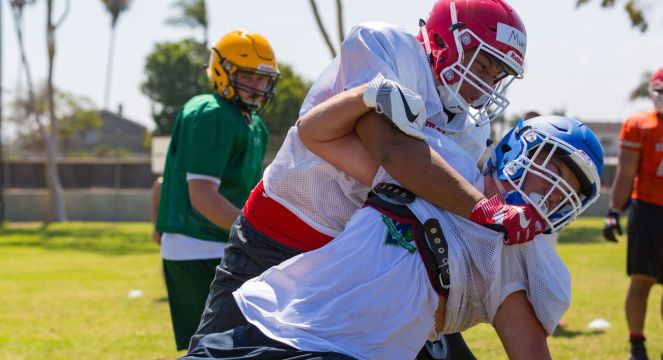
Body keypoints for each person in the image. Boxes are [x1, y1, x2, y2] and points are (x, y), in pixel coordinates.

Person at [189, 0, 534, 356]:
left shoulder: (472, 126)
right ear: (445, 40)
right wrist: (485, 209)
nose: (486, 83)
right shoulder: (385, 47)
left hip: (365, 262)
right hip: (279, 240)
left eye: (498, 73)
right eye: (483, 63)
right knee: (214, 354)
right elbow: (394, 151)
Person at [183, 98, 604, 359]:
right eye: (555, 170)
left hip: (346, 353)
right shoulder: (435, 165)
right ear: (517, 148)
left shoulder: (515, 253)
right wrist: (367, 95)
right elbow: (315, 134)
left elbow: (529, 350)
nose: (555, 192)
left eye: (571, 190)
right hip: (272, 316)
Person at [155, 29, 280, 350]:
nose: (259, 87)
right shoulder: (210, 113)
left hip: (222, 244)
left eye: (264, 79)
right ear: (223, 71)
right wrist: (257, 235)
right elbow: (202, 195)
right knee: (219, 348)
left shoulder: (253, 124)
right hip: (200, 245)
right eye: (249, 77)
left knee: (242, 347)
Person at [603, 67, 663, 360]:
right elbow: (625, 174)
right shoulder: (640, 124)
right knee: (642, 280)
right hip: (648, 209)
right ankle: (637, 344)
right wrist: (613, 210)